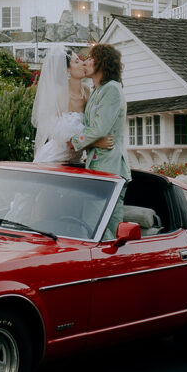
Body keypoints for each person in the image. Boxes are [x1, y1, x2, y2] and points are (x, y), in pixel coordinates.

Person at [69, 43, 130, 236]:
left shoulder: (111, 90)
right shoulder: (97, 90)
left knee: (104, 227)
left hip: (110, 166)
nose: (85, 62)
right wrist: (94, 142)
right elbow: (94, 132)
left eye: (90, 58)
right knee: (94, 224)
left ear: (101, 62)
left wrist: (74, 141)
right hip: (97, 165)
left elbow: (99, 128)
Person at [31, 44, 113, 164]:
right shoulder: (59, 97)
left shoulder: (86, 91)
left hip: (74, 162)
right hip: (53, 160)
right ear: (67, 69)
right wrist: (97, 143)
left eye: (80, 59)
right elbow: (68, 142)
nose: (83, 63)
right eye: (76, 61)